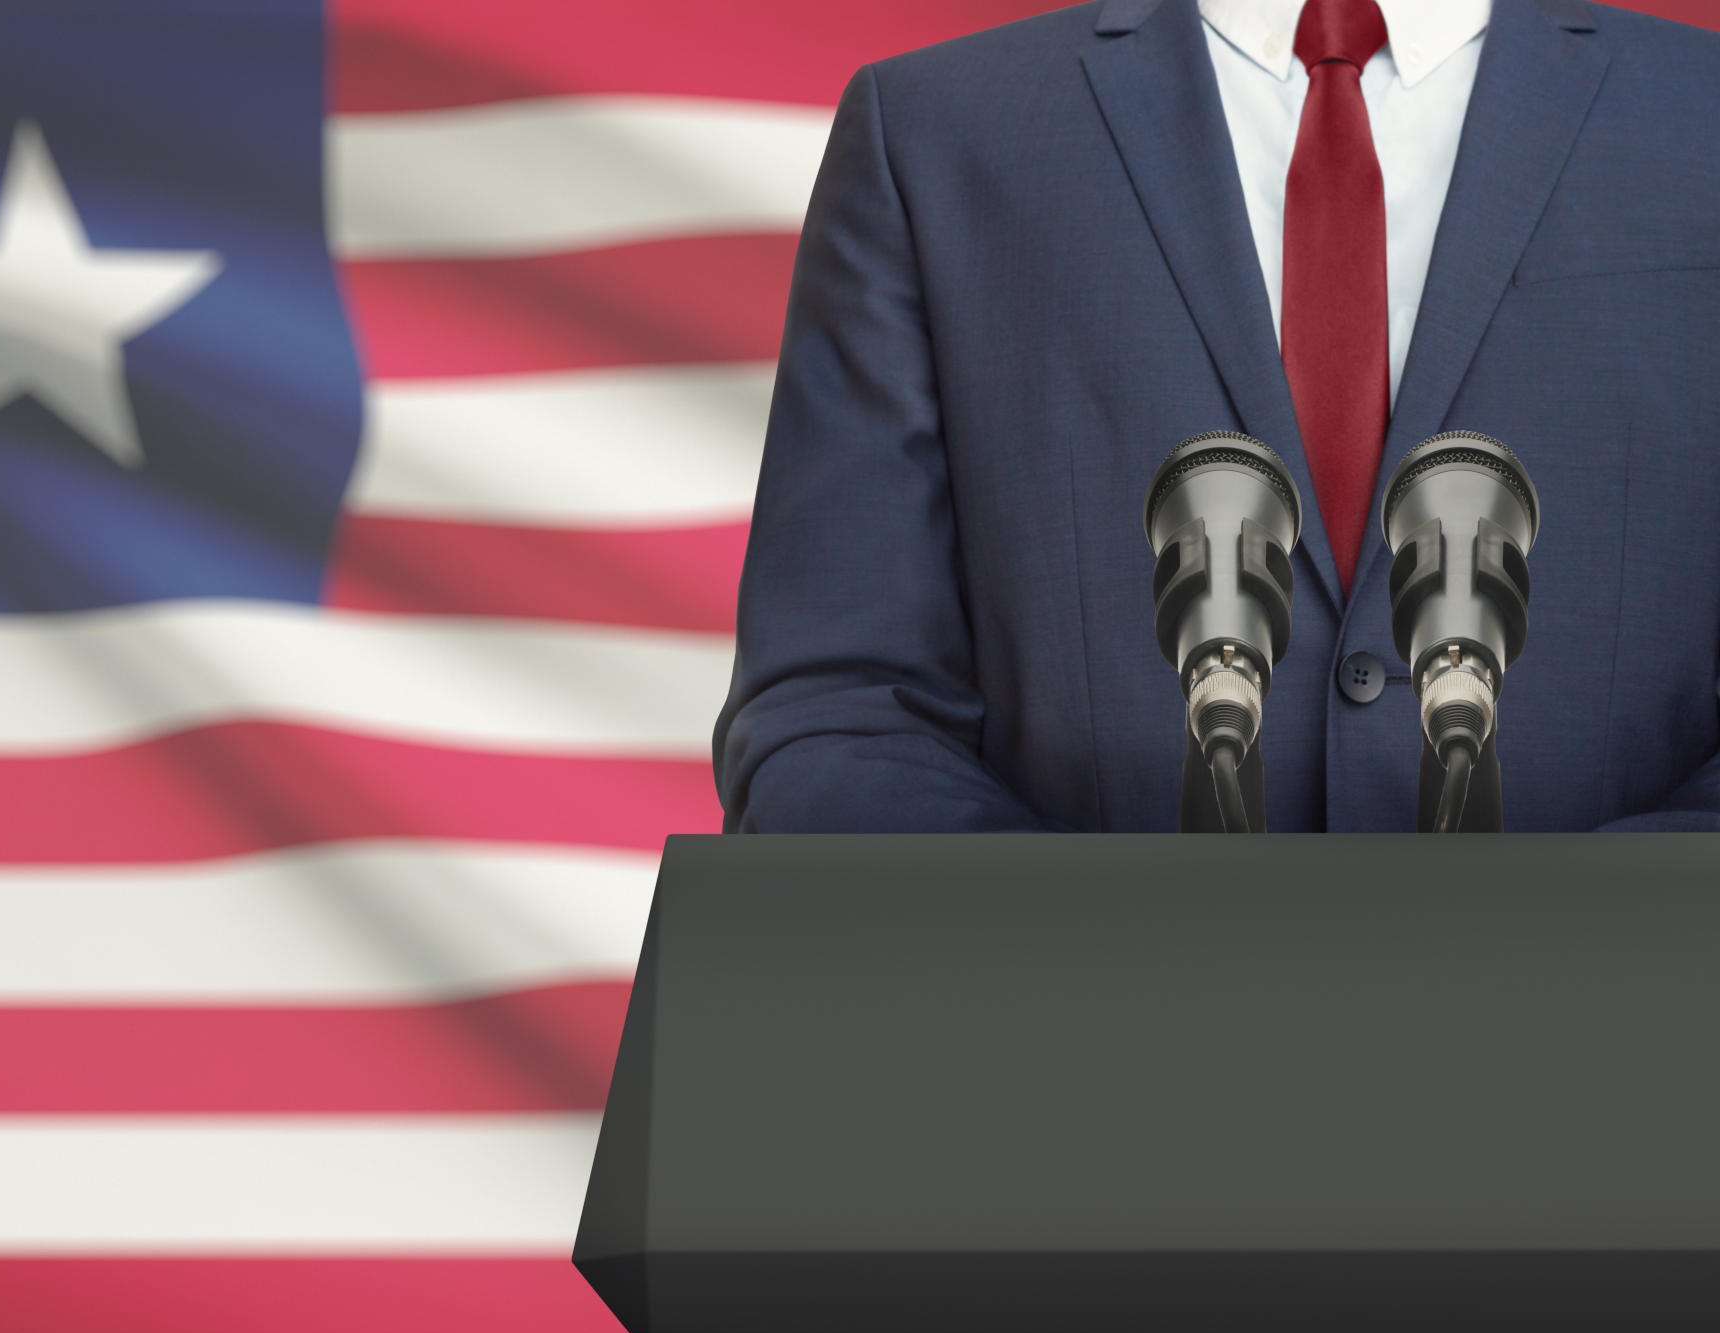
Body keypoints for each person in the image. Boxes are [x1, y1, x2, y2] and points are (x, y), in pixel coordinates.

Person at [714, 0, 1720, 833]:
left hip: (1619, 1047)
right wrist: (1112, 970)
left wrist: (1582, 951)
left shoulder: (1696, 116)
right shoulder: (936, 135)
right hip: (1068, 1052)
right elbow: (836, 714)